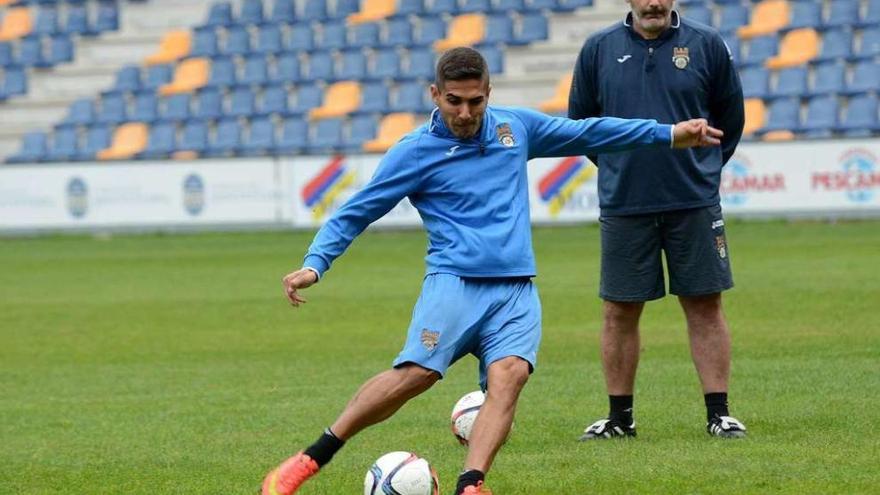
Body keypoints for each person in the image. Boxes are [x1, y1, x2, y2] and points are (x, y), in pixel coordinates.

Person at [262, 46, 723, 495]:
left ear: (488, 93)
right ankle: (309, 460)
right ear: (435, 95)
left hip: (516, 291)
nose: (465, 113)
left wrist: (668, 134)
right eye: (454, 101)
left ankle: (472, 484)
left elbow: (588, 132)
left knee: (510, 375)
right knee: (415, 376)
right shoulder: (415, 152)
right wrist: (314, 265)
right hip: (453, 286)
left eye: (475, 101)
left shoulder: (514, 129)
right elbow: (355, 212)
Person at [567, 0, 747, 440]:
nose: (653, 3)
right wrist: (619, 167)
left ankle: (719, 414)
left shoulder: (706, 45)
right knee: (619, 311)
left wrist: (701, 170)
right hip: (626, 203)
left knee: (705, 304)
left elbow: (731, 118)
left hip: (693, 202)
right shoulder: (597, 49)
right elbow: (582, 124)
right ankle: (620, 419)